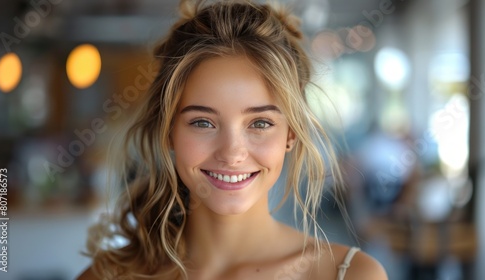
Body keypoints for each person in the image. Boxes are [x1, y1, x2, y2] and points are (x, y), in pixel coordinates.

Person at [78, 0, 387, 279]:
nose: (232, 152)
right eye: (202, 122)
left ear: (290, 133)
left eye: (260, 123)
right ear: (169, 131)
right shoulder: (108, 275)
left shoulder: (351, 275)